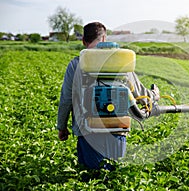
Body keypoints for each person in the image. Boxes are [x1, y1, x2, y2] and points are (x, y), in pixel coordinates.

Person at [56, 22, 159, 171]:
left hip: (87, 130)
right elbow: (139, 93)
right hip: (116, 129)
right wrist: (154, 95)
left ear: (84, 41)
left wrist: (62, 127)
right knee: (112, 176)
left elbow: (66, 99)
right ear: (104, 39)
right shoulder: (120, 61)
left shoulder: (75, 65)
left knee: (89, 177)